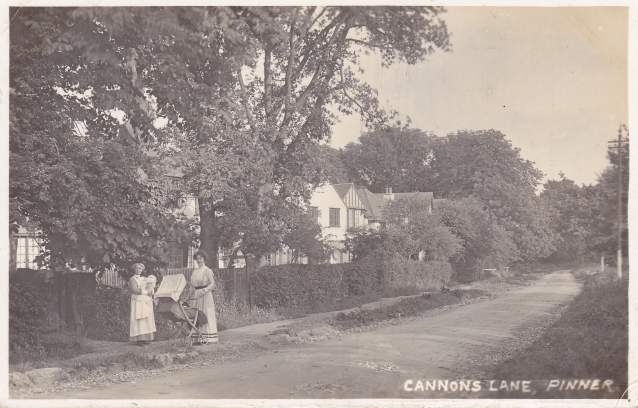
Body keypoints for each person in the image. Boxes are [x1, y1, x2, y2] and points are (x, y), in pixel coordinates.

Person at [191, 250, 218, 344]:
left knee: (205, 313)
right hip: (196, 295)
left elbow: (212, 284)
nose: (199, 260)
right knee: (196, 315)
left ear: (204, 259)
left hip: (205, 294)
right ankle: (197, 337)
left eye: (200, 258)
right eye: (197, 259)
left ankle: (207, 337)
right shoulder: (195, 271)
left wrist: (205, 290)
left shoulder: (207, 270)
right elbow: (193, 285)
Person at [128, 263, 156, 346]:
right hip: (138, 301)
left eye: (140, 268)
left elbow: (149, 288)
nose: (138, 270)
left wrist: (151, 291)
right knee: (139, 319)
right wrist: (146, 292)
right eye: (136, 268)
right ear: (134, 269)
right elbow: (135, 290)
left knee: (146, 319)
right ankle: (138, 340)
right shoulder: (132, 279)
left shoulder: (145, 279)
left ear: (142, 270)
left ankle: (145, 338)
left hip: (145, 301)